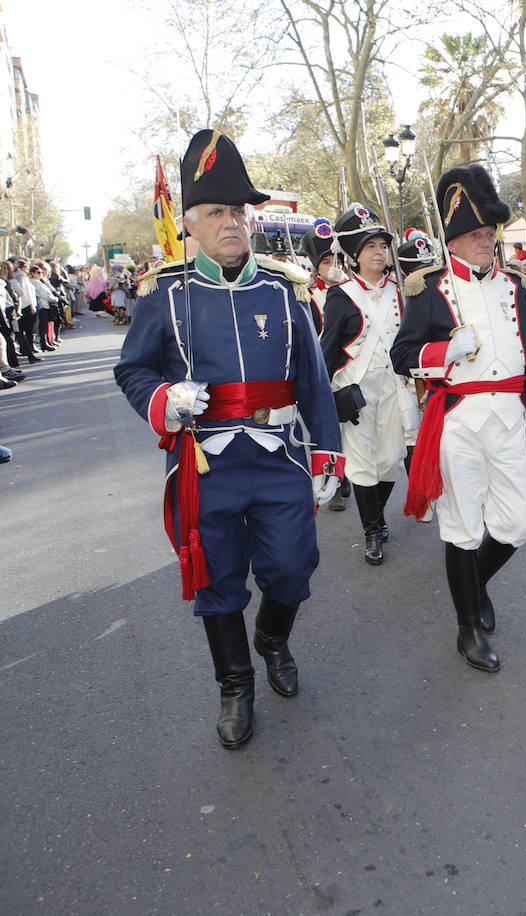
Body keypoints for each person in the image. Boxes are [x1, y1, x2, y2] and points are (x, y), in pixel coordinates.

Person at [113, 130, 344, 750]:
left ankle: (271, 637)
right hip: (205, 462)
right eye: (217, 212)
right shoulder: (164, 292)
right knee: (217, 580)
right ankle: (235, 686)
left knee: (294, 570)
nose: (233, 222)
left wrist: (328, 452)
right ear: (190, 224)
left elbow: (313, 378)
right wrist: (164, 400)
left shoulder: (284, 287)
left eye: (239, 210)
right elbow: (133, 369)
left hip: (280, 456)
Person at [391, 163, 526, 675]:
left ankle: (473, 582)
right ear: (453, 239)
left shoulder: (514, 287)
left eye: (490, 233)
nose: (488, 242)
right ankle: (467, 626)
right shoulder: (429, 289)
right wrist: (442, 351)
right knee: (461, 527)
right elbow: (403, 354)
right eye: (477, 234)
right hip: (457, 419)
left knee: (517, 524)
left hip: (507, 416)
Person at [319, 204, 413, 565]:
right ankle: (372, 530)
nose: (379, 252)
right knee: (361, 463)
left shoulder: (403, 292)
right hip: (354, 391)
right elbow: (328, 349)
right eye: (370, 247)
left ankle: (375, 513)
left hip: (393, 388)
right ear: (355, 256)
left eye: (382, 246)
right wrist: (323, 398)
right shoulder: (341, 296)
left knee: (390, 460)